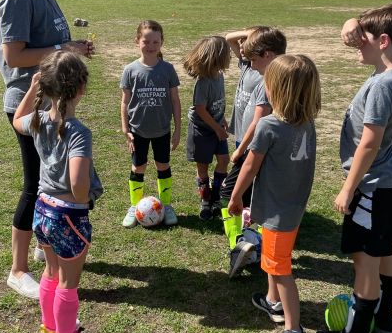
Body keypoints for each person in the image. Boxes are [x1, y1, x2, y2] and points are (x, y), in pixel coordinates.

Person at [0, 0, 93, 300]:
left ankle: (46, 243)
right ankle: (18, 270)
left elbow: (52, 45)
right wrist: (62, 48)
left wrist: (72, 51)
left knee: (50, 182)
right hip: (27, 103)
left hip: (50, 102)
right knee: (35, 184)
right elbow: (14, 56)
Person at [315, 2, 392, 333]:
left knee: (365, 262)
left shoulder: (382, 87)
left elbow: (369, 143)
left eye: (364, 39)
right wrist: (353, 22)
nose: (357, 43)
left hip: (372, 186)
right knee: (386, 249)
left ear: (384, 40)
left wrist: (348, 188)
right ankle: (385, 321)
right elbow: (371, 33)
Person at [229, 55, 321, 333]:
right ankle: (273, 302)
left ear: (276, 89)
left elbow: (250, 167)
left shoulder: (269, 125)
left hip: (280, 212)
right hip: (289, 208)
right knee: (271, 254)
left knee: (281, 269)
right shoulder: (307, 123)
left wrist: (236, 197)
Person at [13, 51, 104, 333]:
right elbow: (78, 183)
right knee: (68, 282)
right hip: (67, 216)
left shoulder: (37, 120)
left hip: (42, 209)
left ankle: (49, 328)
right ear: (81, 88)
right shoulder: (79, 132)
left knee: (51, 274)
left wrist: (31, 88)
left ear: (47, 87)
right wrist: (84, 200)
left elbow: (16, 120)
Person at [221, 27, 287, 276]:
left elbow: (260, 119)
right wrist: (255, 32)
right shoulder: (256, 68)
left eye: (253, 57)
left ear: (267, 55)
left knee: (230, 193)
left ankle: (241, 245)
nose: (249, 62)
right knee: (249, 196)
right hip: (246, 143)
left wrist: (241, 150)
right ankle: (249, 242)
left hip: (252, 146)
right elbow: (228, 38)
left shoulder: (268, 79)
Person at [120, 20, 181, 227]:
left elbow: (175, 100)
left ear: (162, 42)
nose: (151, 46)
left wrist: (177, 129)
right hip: (138, 130)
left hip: (162, 129)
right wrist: (125, 128)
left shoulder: (168, 69)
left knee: (162, 165)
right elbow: (125, 101)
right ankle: (134, 206)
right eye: (146, 41)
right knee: (139, 166)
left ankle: (165, 205)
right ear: (137, 41)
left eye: (156, 41)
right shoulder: (130, 70)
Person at [183, 35, 232, 219]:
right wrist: (217, 128)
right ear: (217, 57)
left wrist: (223, 120)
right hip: (202, 129)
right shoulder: (203, 82)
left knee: (224, 160)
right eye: (227, 54)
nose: (229, 57)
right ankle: (205, 199)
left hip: (217, 126)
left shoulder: (219, 76)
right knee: (202, 166)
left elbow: (218, 102)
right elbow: (201, 110)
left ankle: (216, 197)